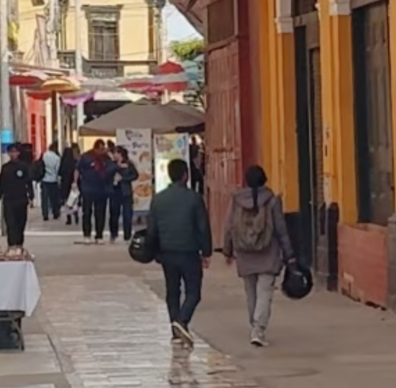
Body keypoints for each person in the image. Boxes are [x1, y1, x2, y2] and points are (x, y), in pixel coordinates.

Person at [223, 164, 294, 348]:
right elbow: (281, 229)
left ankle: (254, 325)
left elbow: (229, 226)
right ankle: (258, 329)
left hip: (244, 253)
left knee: (251, 293)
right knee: (265, 293)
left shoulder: (237, 199)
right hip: (268, 252)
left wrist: (227, 251)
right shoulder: (272, 200)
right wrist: (289, 255)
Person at [145, 156, 212, 347]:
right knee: (193, 292)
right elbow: (203, 227)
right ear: (185, 175)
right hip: (189, 252)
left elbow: (152, 229)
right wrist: (206, 252)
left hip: (167, 252)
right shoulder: (194, 198)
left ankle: (176, 331)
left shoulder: (158, 199)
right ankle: (181, 321)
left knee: (172, 291)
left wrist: (154, 251)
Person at [0, 143, 35, 249]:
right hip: (9, 199)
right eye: (11, 152)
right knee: (10, 223)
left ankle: (19, 243)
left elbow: (29, 182)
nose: (13, 154)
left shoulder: (23, 167)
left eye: (15, 152)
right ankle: (11, 244)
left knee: (20, 222)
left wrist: (31, 196)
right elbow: (1, 184)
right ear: (8, 153)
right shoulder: (5, 168)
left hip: (21, 199)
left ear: (18, 153)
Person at [77, 140, 113, 242]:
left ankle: (99, 235)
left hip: (102, 189)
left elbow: (112, 169)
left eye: (103, 149)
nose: (102, 151)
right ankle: (87, 234)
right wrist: (75, 183)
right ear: (96, 148)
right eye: (100, 149)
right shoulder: (86, 157)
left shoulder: (106, 158)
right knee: (87, 212)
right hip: (88, 188)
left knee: (100, 213)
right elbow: (78, 169)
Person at [108, 145, 139, 241]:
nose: (114, 155)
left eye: (116, 153)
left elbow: (135, 175)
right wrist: (118, 166)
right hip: (114, 191)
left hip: (126, 192)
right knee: (114, 214)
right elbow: (107, 172)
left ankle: (127, 235)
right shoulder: (111, 164)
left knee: (127, 214)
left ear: (121, 154)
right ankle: (113, 234)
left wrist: (124, 179)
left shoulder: (129, 164)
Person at [37, 142, 63, 222]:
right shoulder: (57, 158)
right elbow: (58, 170)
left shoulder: (44, 155)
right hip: (53, 180)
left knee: (44, 198)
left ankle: (45, 214)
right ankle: (55, 213)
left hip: (44, 179)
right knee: (54, 198)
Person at [60, 143, 81, 223]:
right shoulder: (75, 162)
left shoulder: (64, 162)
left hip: (65, 184)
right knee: (74, 200)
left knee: (67, 202)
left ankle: (68, 218)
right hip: (74, 183)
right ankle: (75, 214)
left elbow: (60, 172)